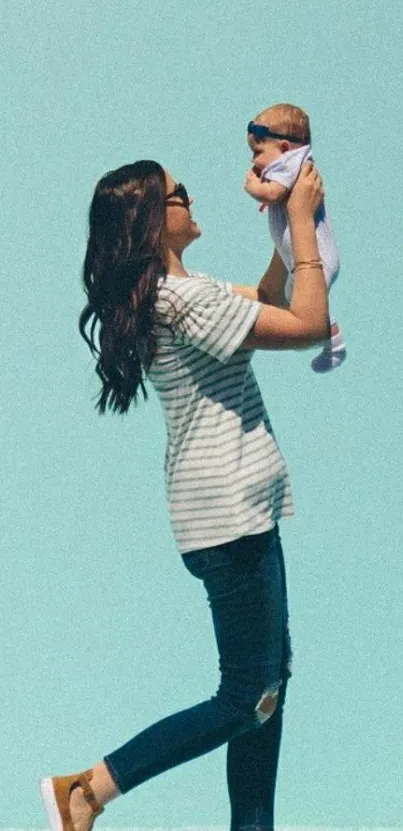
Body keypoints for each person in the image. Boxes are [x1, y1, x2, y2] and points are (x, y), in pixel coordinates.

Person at [39, 158, 329, 831]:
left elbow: (268, 298)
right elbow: (307, 322)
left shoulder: (180, 291)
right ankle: (88, 788)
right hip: (227, 514)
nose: (189, 198)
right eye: (178, 194)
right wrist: (306, 230)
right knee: (244, 695)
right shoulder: (184, 302)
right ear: (150, 221)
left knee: (267, 686)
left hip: (234, 509)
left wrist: (282, 231)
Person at [244, 102, 346, 373]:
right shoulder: (288, 164)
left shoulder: (293, 164)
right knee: (292, 298)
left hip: (317, 257)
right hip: (303, 259)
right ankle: (330, 339)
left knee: (301, 302)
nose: (253, 161)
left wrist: (254, 187)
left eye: (257, 152)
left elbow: (274, 194)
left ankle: (333, 341)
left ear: (285, 148)